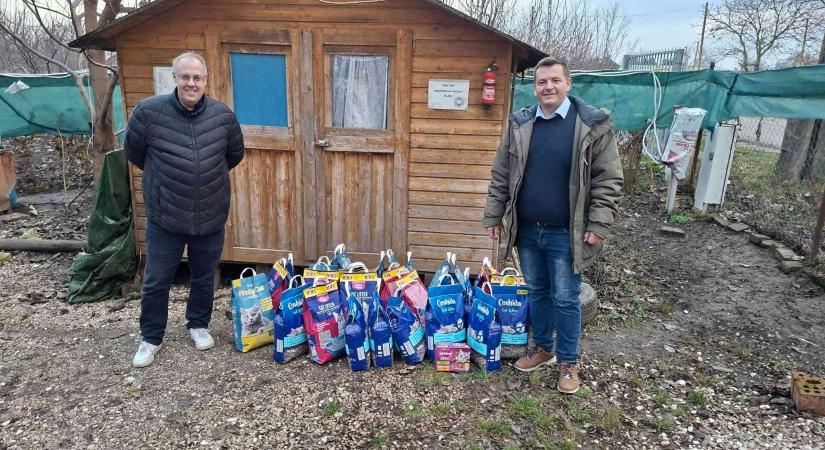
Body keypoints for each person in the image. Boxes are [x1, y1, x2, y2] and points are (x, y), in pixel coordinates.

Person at [483, 56, 623, 394]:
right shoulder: (521, 125)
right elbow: (502, 175)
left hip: (567, 231)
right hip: (528, 229)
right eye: (541, 82)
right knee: (538, 292)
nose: (548, 87)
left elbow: (608, 180)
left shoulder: (591, 125)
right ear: (535, 87)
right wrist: (493, 214)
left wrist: (599, 222)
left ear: (568, 83)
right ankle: (543, 348)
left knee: (566, 297)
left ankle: (568, 362)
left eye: (554, 81)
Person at [125, 52, 244, 368]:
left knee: (204, 276)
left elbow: (234, 155)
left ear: (206, 80)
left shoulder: (223, 117)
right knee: (156, 280)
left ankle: (198, 324)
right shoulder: (148, 113)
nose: (191, 83)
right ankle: (151, 337)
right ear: (174, 78)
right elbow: (135, 152)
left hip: (210, 212)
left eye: (198, 77)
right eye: (185, 77)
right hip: (166, 215)